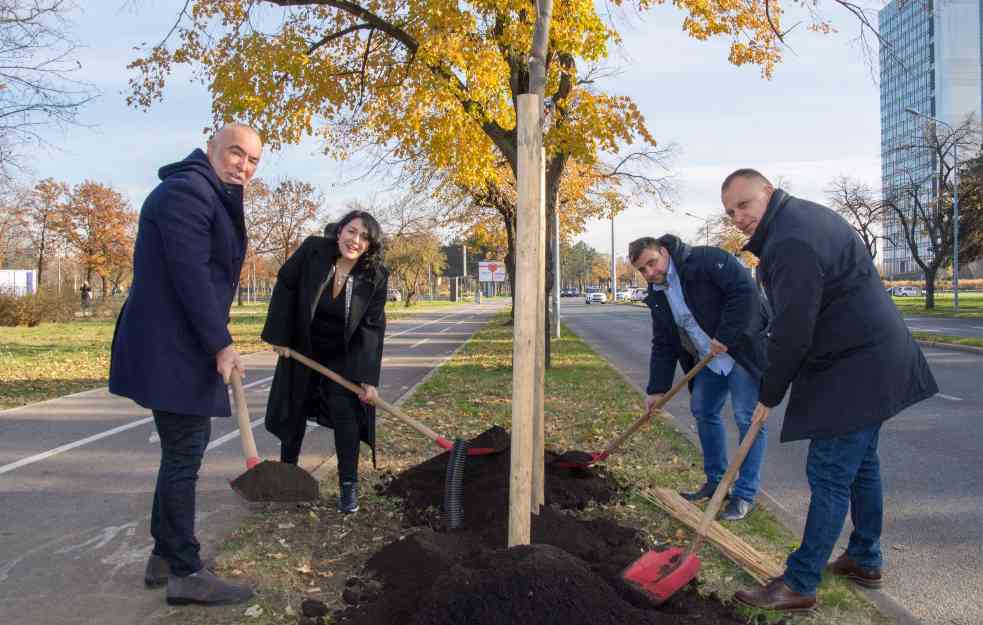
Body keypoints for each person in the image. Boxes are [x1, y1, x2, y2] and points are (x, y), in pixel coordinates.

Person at [722, 169, 938, 612]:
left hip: (857, 366)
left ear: (767, 193)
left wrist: (769, 393)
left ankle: (800, 583)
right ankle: (864, 557)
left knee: (830, 473)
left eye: (743, 204)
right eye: (730, 211)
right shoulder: (798, 221)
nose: (737, 217)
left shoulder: (790, 241)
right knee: (861, 468)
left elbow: (794, 331)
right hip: (869, 358)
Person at [109, 124, 262, 606]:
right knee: (185, 452)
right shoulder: (187, 194)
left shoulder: (207, 192)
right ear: (211, 147)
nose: (243, 165)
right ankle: (184, 570)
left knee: (179, 450)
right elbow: (190, 276)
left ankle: (164, 551)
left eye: (253, 160)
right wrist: (221, 344)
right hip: (171, 347)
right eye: (236, 152)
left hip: (177, 345)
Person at [629, 234, 770, 521]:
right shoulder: (657, 294)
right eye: (643, 270)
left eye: (652, 263)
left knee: (748, 418)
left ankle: (744, 494)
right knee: (704, 411)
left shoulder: (705, 261)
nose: (650, 273)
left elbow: (744, 293)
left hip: (741, 351)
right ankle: (716, 480)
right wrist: (657, 389)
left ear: (664, 252)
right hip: (708, 358)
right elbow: (664, 342)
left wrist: (726, 335)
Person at [262, 210, 388, 514]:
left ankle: (348, 486)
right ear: (340, 230)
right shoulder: (313, 250)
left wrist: (368, 379)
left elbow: (372, 327)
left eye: (364, 237)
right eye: (351, 231)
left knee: (346, 417)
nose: (355, 240)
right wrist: (280, 336)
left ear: (371, 245)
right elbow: (286, 284)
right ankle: (287, 476)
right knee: (294, 411)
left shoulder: (376, 276)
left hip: (343, 357)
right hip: (302, 348)